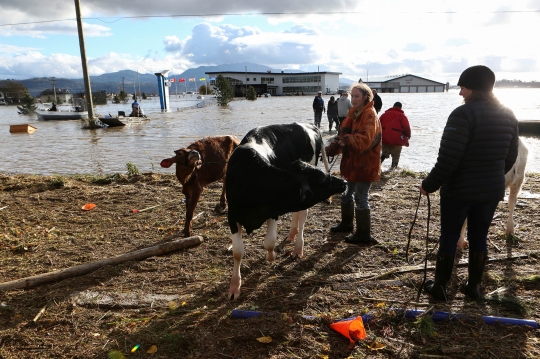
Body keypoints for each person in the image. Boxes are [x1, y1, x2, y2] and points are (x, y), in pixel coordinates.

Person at [420, 65, 519, 301]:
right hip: (491, 189)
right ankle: (473, 287)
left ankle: (441, 287)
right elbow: (510, 157)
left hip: (459, 190)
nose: (460, 93)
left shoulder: (462, 115)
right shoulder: (509, 114)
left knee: (449, 236)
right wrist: (491, 174)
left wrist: (429, 184)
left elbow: (448, 159)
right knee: (479, 236)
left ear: (475, 89)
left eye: (463, 87)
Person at [327, 82, 382, 244]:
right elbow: (344, 136)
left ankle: (364, 234)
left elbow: (363, 141)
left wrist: (346, 140)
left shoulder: (370, 115)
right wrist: (332, 148)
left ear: (366, 97)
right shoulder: (354, 113)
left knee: (361, 197)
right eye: (352, 96)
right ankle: (347, 224)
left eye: (357, 96)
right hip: (352, 163)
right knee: (346, 194)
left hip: (365, 164)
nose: (353, 99)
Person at [380, 102, 411, 169]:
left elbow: (377, 125)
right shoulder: (402, 116)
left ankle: (377, 167)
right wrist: (408, 135)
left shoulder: (384, 114)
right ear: (400, 108)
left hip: (384, 137)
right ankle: (393, 169)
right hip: (396, 139)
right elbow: (406, 127)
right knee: (396, 155)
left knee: (384, 153)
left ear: (393, 106)